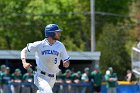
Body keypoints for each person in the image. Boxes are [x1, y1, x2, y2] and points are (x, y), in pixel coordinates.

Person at [21, 24, 70, 93]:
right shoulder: (40, 44)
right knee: (48, 92)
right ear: (51, 33)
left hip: (53, 77)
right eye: (57, 32)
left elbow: (66, 61)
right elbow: (24, 50)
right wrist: (24, 62)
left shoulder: (60, 45)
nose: (59, 34)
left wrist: (66, 63)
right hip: (40, 76)